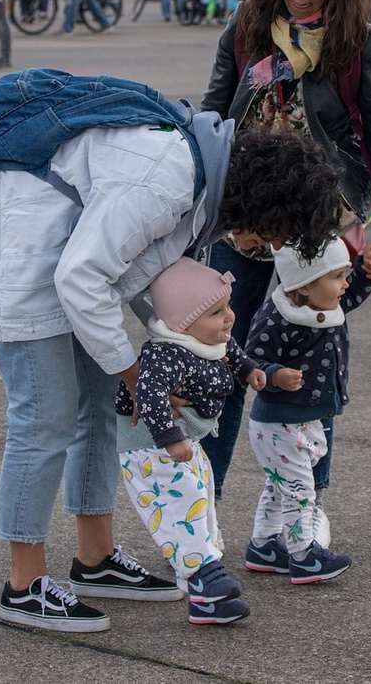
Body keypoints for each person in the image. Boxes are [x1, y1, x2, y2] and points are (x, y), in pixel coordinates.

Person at [0, 69, 345, 633]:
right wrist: (136, 368)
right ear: (266, 204)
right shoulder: (167, 181)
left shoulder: (201, 188)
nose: (268, 247)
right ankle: (23, 586)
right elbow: (82, 277)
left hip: (62, 247)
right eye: (277, 234)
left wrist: (170, 351)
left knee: (98, 407)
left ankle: (94, 561)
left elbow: (143, 274)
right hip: (16, 234)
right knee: (44, 415)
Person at [200, 0, 371, 527]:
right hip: (241, 220)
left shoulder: (357, 41)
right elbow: (212, 127)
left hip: (321, 223)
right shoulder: (244, 31)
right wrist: (211, 211)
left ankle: (302, 512)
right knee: (220, 359)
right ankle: (201, 515)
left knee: (309, 369)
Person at [116, 258, 266, 625]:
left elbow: (231, 352)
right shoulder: (167, 353)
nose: (229, 317)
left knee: (200, 496)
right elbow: (148, 394)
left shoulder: (205, 340)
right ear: (183, 322)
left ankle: (206, 589)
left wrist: (250, 370)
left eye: (228, 306)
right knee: (180, 505)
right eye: (217, 311)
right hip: (150, 446)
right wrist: (168, 438)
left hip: (182, 439)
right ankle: (204, 576)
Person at [244, 237, 371, 581]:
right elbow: (253, 360)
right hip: (278, 424)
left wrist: (368, 268)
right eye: (337, 278)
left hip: (301, 421)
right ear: (305, 286)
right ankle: (304, 553)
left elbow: (353, 293)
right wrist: (276, 375)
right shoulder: (275, 318)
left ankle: (263, 546)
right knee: (299, 490)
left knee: (279, 486)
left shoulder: (330, 304)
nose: (345, 285)